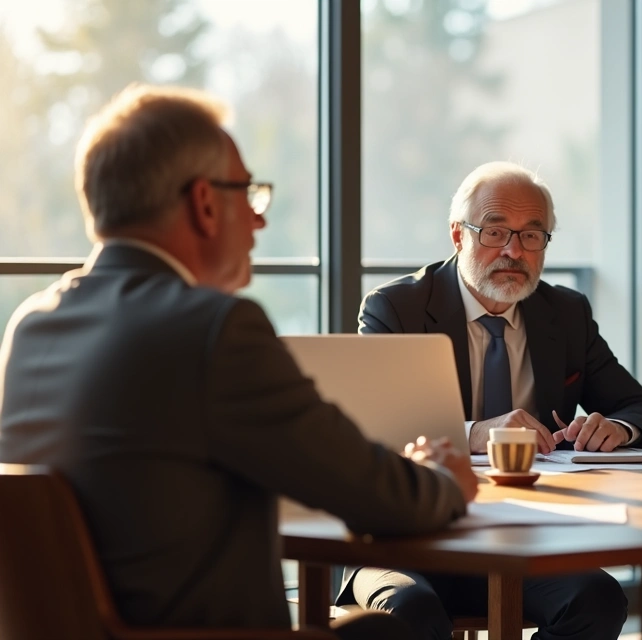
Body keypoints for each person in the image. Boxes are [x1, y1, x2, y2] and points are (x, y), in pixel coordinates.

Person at [0, 84, 478, 640]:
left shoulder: (32, 327)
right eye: (248, 195)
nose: (259, 223)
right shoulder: (211, 329)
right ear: (204, 203)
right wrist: (444, 477)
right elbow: (380, 498)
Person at [342, 161, 642, 639]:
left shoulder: (565, 312)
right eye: (494, 232)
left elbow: (640, 408)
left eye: (532, 235)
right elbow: (369, 430)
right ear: (457, 236)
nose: (513, 251)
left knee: (598, 600)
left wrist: (616, 427)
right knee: (411, 613)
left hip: (521, 534)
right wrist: (474, 434)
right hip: (406, 539)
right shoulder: (395, 308)